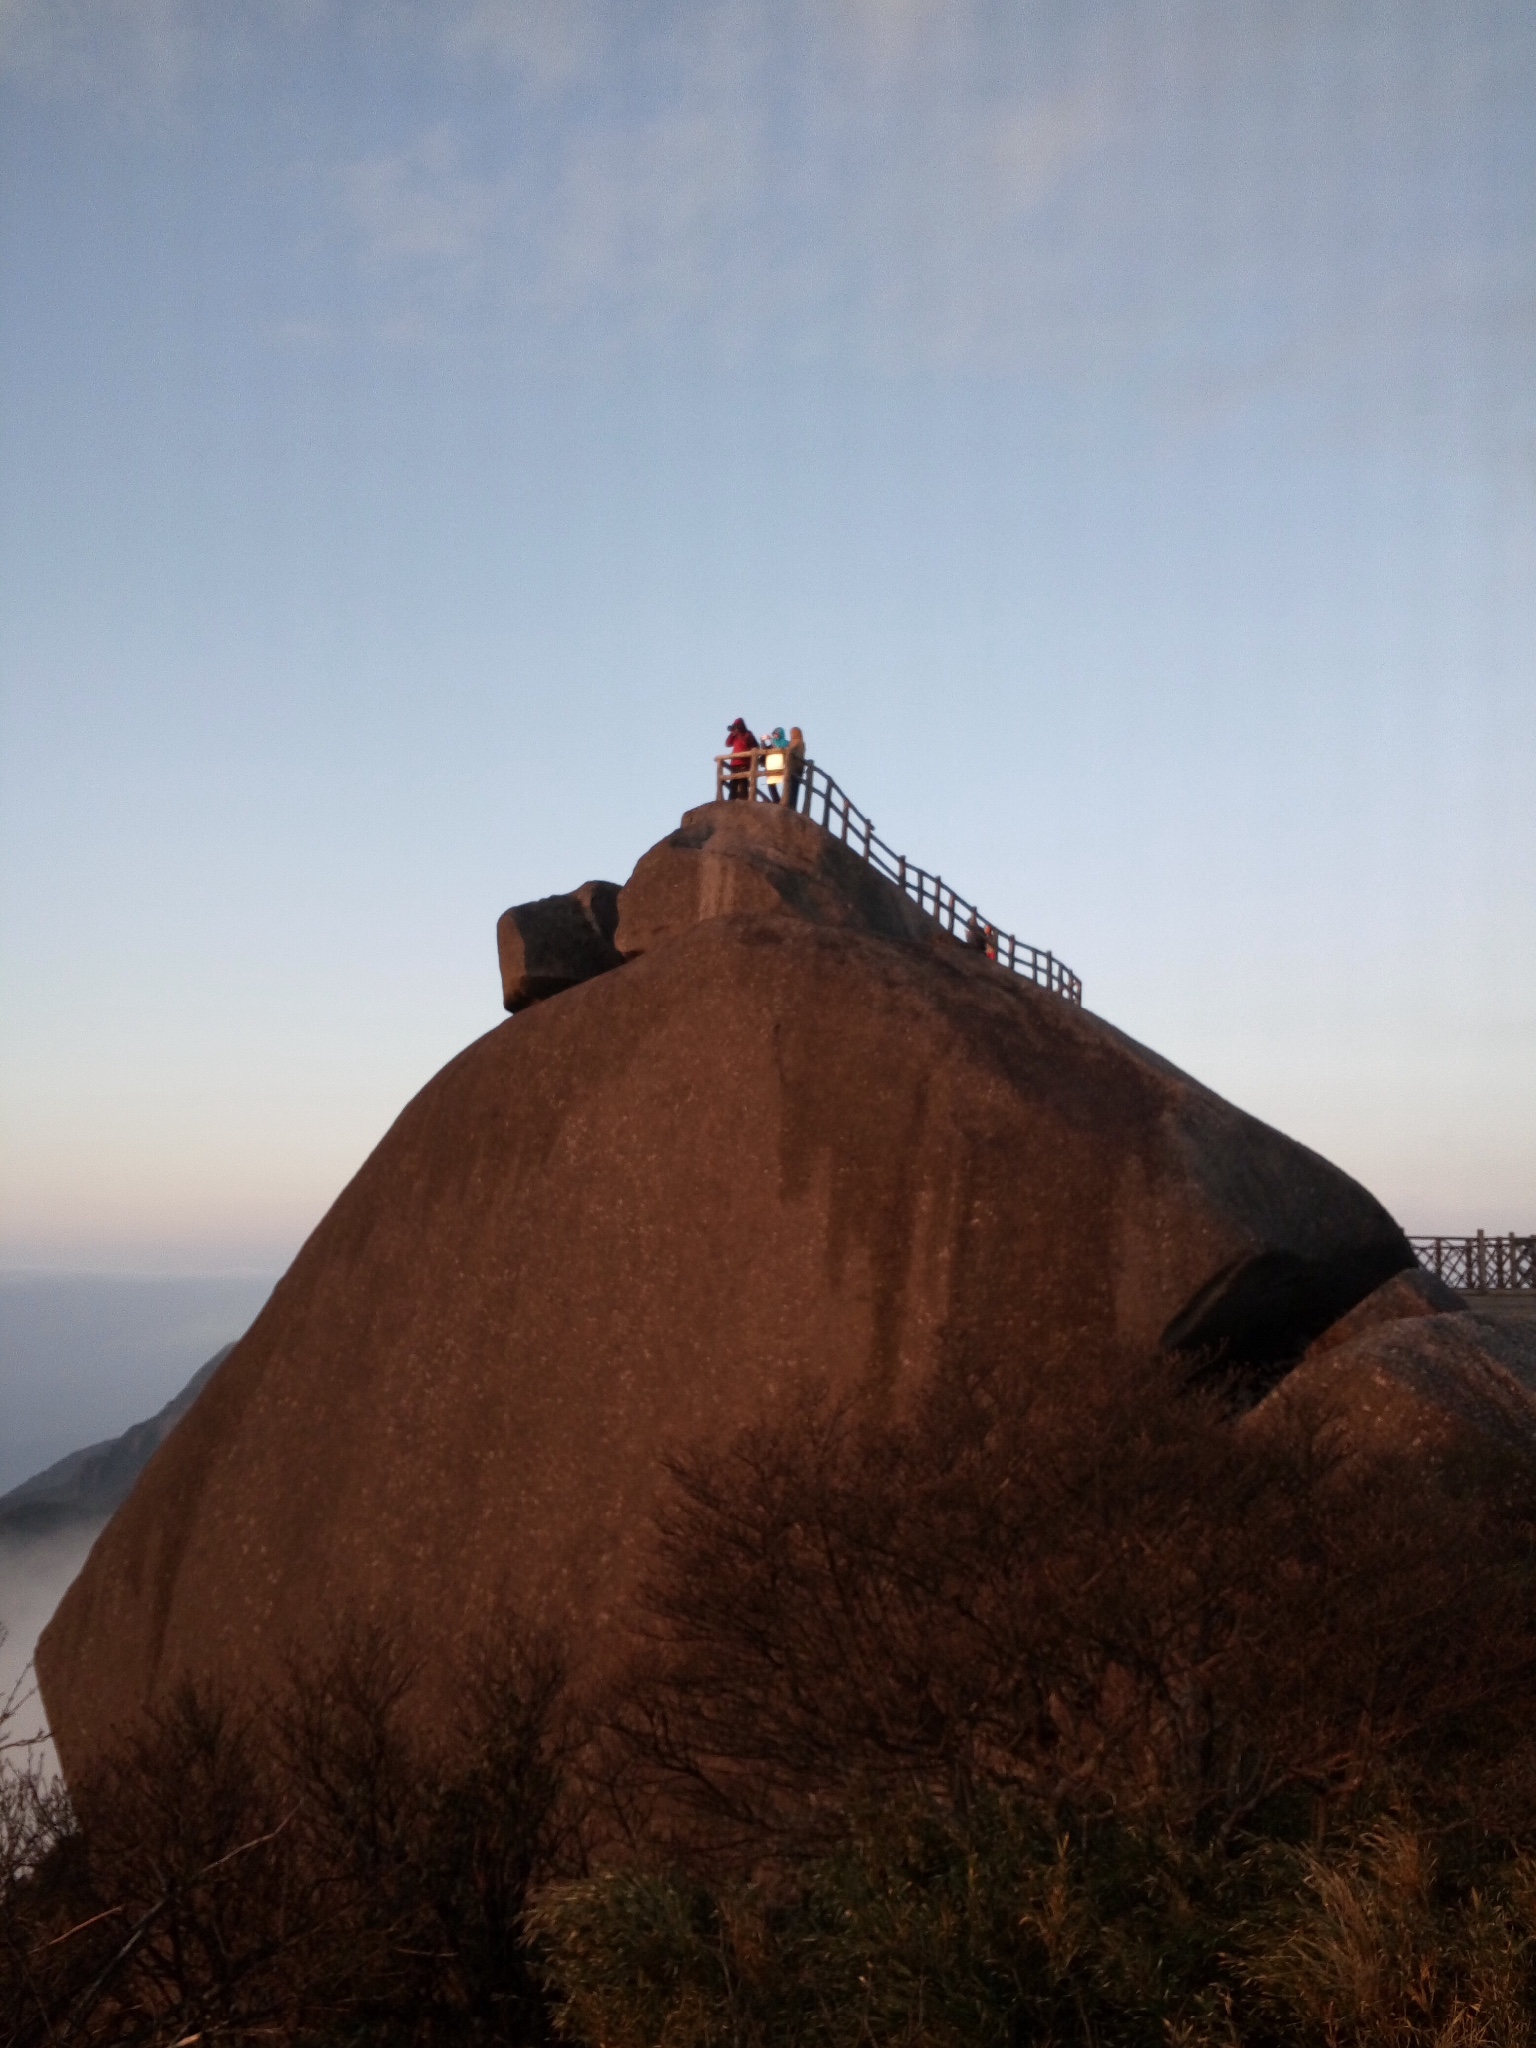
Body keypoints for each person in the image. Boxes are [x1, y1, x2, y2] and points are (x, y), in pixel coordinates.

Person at [725, 717, 758, 800]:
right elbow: (727, 744)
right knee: (733, 783)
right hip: (735, 764)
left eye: (736, 726)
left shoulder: (748, 734)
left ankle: (744, 800)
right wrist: (732, 733)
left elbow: (756, 746)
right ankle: (731, 801)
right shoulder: (735, 735)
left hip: (744, 763)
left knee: (743, 782)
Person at [762, 726, 788, 802]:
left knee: (786, 783)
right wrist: (762, 741)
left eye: (777, 734)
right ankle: (776, 800)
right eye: (774, 734)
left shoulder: (785, 742)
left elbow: (780, 746)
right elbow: (764, 750)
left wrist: (771, 739)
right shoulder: (772, 744)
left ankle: (785, 800)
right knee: (771, 783)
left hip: (781, 766)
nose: (775, 736)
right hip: (772, 767)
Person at [786, 725, 806, 811]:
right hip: (797, 768)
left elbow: (791, 751)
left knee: (792, 787)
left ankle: (790, 805)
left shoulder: (797, 742)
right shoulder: (799, 742)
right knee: (793, 788)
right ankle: (791, 805)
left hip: (794, 768)